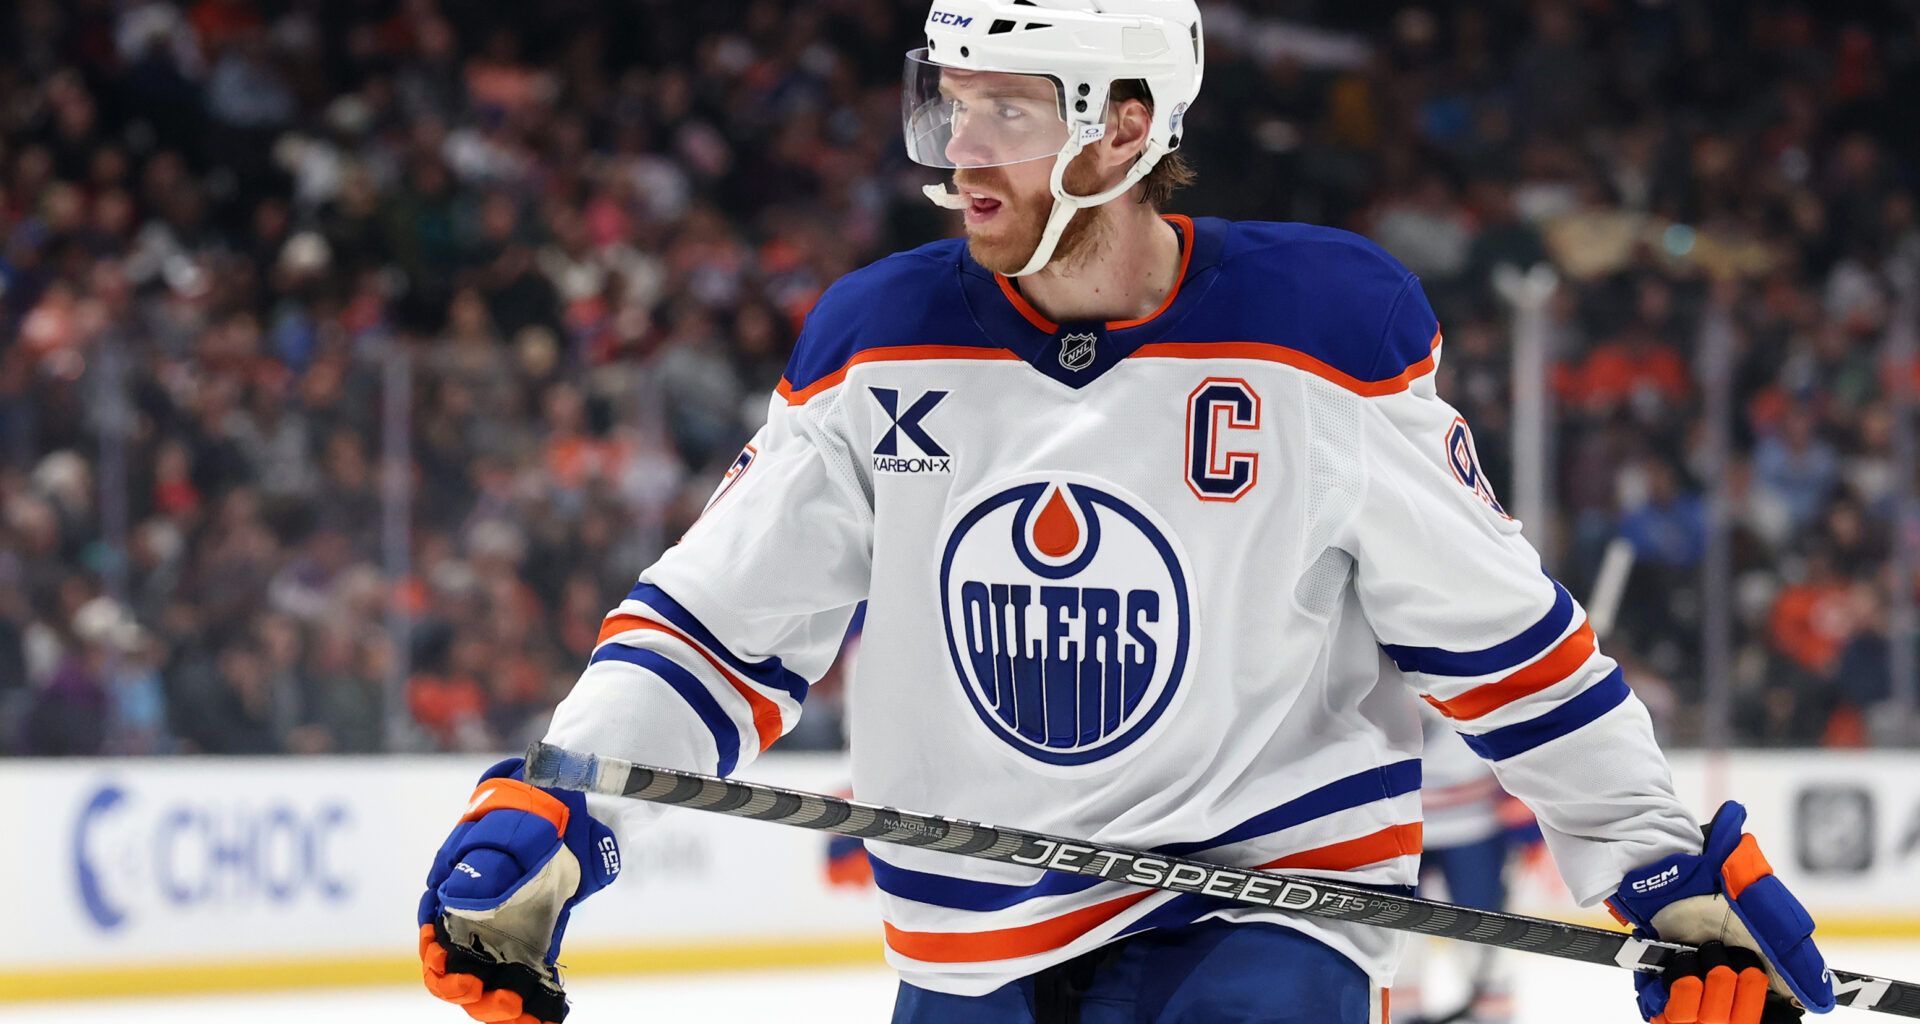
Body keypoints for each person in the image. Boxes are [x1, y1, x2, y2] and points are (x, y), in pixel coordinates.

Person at [417, 3, 1833, 1023]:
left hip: (1271, 905)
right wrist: (563, 796)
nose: (962, 147)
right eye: (950, 101)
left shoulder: (1314, 331)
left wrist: (1656, 864)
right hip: (973, 936)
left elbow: (1497, 641)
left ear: (1128, 126)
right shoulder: (880, 340)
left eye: (1011, 111)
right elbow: (719, 628)